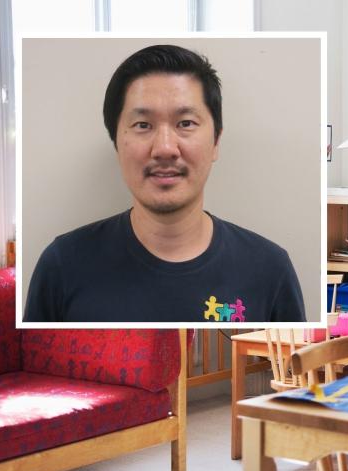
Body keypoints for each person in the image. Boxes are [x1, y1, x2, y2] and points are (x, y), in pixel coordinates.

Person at [24, 44, 306, 322]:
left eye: (185, 123)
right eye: (143, 125)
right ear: (117, 144)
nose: (165, 148)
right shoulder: (63, 264)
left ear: (216, 141)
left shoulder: (269, 268)